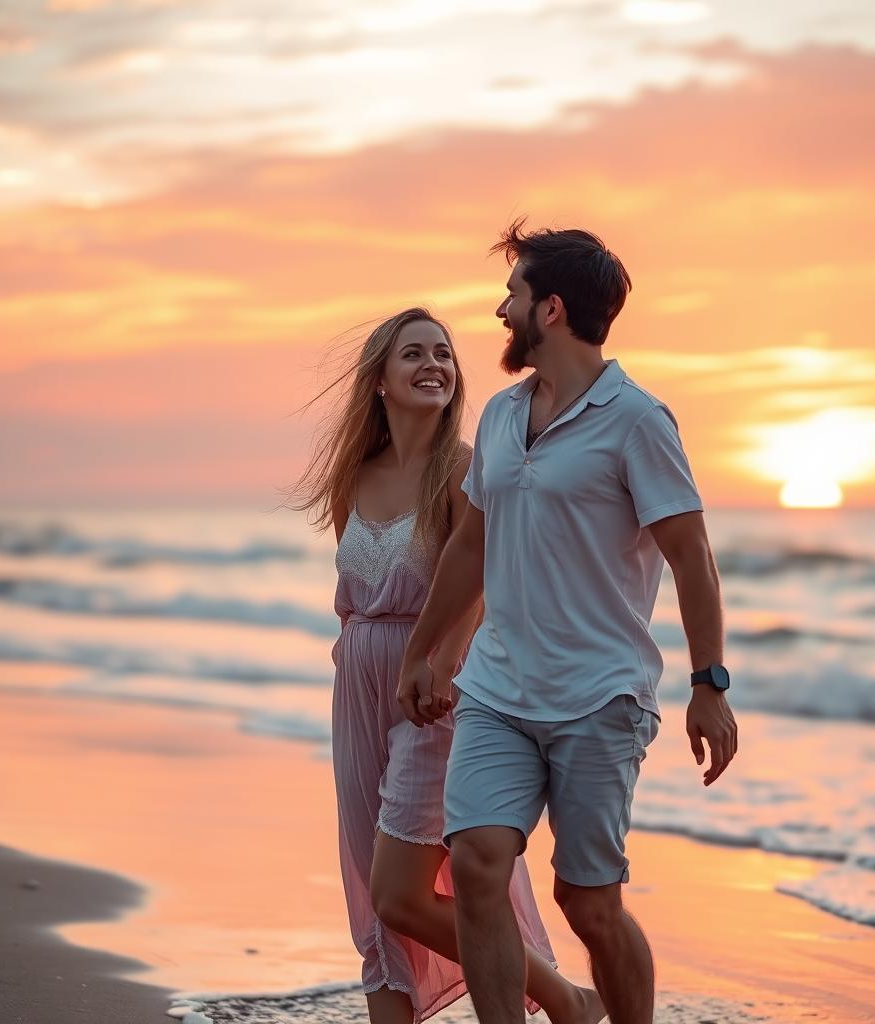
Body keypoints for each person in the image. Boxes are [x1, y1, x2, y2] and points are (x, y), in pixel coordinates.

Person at [398, 225, 739, 1024]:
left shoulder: (638, 421)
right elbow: (472, 543)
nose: (499, 309)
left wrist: (708, 685)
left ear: (549, 311)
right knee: (479, 864)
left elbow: (693, 557)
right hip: (497, 690)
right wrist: (424, 652)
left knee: (588, 904)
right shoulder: (504, 416)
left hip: (600, 698)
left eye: (512, 296)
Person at [285, 308, 605, 1024]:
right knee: (368, 885)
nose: (434, 365)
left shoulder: (465, 468)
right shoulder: (353, 478)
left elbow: (482, 582)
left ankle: (562, 998)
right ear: (380, 381)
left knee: (400, 888)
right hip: (358, 684)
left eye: (444, 354)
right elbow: (355, 602)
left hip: (436, 692)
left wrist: (442, 661)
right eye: (414, 355)